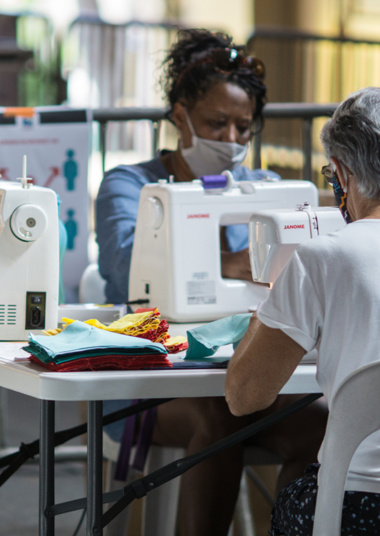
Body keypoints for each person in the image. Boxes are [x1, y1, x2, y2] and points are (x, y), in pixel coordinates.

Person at [95, 29, 327, 535]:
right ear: (180, 116)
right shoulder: (129, 186)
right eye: (216, 123)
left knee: (324, 424)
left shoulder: (265, 191)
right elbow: (124, 269)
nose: (230, 141)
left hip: (244, 373)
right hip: (144, 382)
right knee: (220, 413)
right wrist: (234, 262)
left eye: (244, 128)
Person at [226, 86, 380, 535]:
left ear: (342, 175)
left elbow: (244, 396)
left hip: (357, 510)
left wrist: (273, 302)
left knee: (299, 495)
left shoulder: (324, 257)